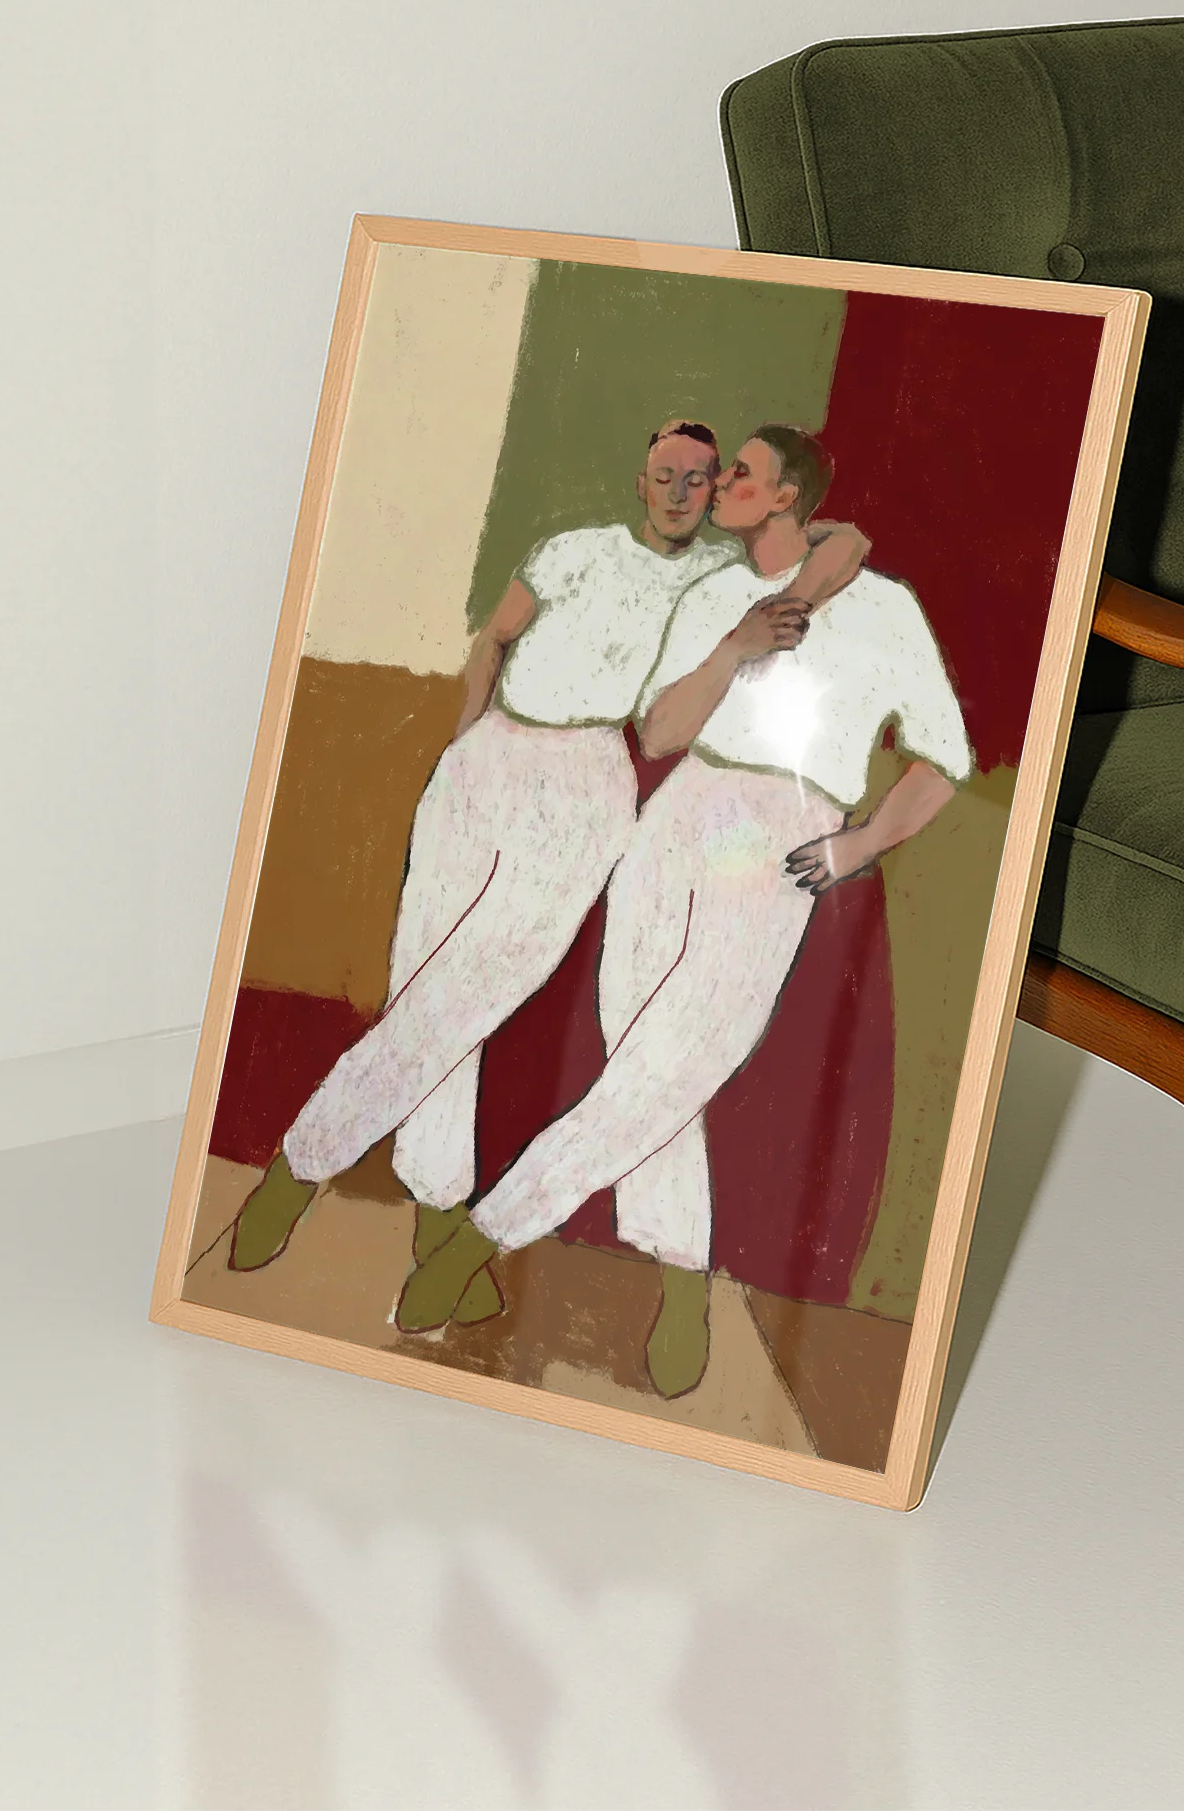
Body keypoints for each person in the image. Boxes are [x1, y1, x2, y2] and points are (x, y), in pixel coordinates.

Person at [227, 420, 871, 1315]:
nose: (681, 491)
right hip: (484, 763)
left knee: (466, 994)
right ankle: (435, 1220)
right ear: (640, 480)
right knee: (421, 981)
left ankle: (298, 1170)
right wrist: (464, 751)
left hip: (583, 786)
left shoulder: (719, 582)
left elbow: (850, 542)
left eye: (700, 478)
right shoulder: (571, 550)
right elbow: (494, 638)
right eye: (665, 474)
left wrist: (780, 600)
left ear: (720, 492)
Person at [393, 426, 971, 1396]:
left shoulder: (883, 608)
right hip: (677, 821)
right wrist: (735, 647)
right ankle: (682, 1280)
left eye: (740, 473)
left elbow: (943, 757)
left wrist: (863, 842)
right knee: (640, 1060)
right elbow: (659, 730)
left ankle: (482, 1235)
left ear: (786, 496)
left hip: (781, 834)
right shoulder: (712, 593)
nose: (718, 485)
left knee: (675, 1065)